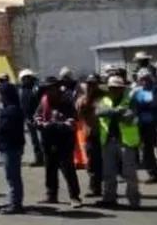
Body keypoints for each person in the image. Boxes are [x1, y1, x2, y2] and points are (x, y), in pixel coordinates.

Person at [34, 76, 83, 208]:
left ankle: (75, 197)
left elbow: (72, 122)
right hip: (48, 140)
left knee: (68, 169)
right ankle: (51, 195)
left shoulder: (66, 101)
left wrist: (53, 125)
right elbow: (37, 116)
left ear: (57, 88)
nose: (50, 92)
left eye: (52, 88)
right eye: (47, 89)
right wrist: (39, 123)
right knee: (50, 168)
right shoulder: (44, 101)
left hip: (64, 141)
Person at [95, 76, 141, 209]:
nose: (114, 90)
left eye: (117, 88)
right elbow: (98, 111)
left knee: (129, 173)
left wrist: (118, 113)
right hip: (109, 141)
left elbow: (131, 116)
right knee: (108, 172)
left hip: (125, 141)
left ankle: (134, 201)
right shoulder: (104, 100)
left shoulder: (130, 100)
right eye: (112, 88)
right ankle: (109, 199)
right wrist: (116, 111)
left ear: (122, 88)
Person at [0, 83, 25, 214]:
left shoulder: (10, 111)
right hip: (14, 145)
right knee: (13, 176)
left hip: (10, 146)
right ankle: (13, 200)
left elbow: (2, 128)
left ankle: (15, 204)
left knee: (12, 176)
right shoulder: (13, 109)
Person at [129, 69, 157, 183]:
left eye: (146, 79)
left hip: (152, 124)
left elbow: (154, 103)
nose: (144, 81)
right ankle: (152, 171)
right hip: (139, 124)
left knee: (148, 149)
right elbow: (131, 105)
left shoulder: (156, 89)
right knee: (141, 149)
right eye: (142, 79)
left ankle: (154, 173)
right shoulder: (136, 91)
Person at [75, 74, 104, 198]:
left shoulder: (104, 96)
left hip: (105, 134)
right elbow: (78, 114)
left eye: (94, 83)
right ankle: (95, 188)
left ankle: (107, 189)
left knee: (106, 163)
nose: (91, 86)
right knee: (92, 162)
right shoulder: (83, 99)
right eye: (89, 84)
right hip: (90, 134)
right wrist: (87, 97)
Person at [17, 69, 44, 167]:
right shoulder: (21, 90)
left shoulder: (36, 88)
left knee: (42, 139)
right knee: (34, 140)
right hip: (28, 118)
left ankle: (45, 158)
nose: (28, 80)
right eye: (26, 78)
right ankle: (39, 159)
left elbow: (39, 103)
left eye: (29, 77)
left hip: (37, 117)